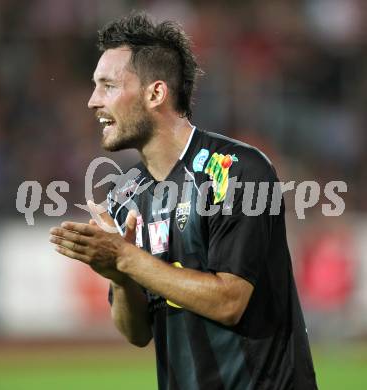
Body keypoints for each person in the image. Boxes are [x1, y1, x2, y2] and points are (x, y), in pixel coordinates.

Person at [49, 12, 318, 389]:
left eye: (108, 86)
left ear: (155, 93)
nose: (93, 101)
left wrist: (126, 258)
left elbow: (230, 301)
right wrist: (118, 277)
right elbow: (137, 333)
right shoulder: (125, 196)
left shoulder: (235, 171)